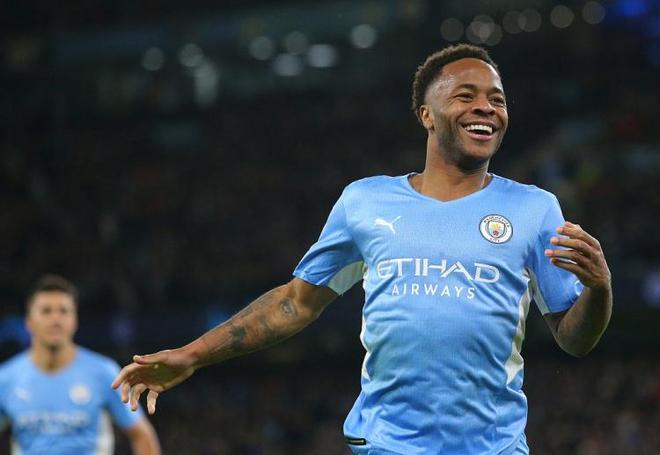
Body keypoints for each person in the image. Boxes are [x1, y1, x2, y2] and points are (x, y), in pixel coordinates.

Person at [111, 44, 612, 455]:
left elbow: (574, 340)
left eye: (497, 99)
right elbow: (295, 303)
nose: (486, 107)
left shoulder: (535, 208)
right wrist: (193, 354)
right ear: (427, 114)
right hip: (387, 445)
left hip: (494, 447)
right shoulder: (365, 201)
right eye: (466, 95)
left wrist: (600, 290)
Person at [0, 275, 161, 455]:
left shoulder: (103, 372)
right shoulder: (6, 378)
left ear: (74, 320)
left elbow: (142, 435)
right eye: (46, 311)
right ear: (28, 322)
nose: (55, 319)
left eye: (63, 311)